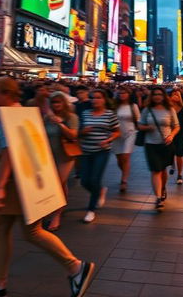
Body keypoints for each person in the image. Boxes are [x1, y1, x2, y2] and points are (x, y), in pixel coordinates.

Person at [0, 77, 95, 297]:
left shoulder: (11, 116)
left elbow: (10, 150)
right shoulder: (21, 112)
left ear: (7, 93)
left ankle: (75, 267)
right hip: (25, 179)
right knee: (14, 230)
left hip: (14, 182)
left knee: (26, 231)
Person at [78, 89, 120, 223]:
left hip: (102, 151)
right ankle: (100, 191)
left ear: (104, 100)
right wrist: (83, 131)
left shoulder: (109, 114)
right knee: (84, 181)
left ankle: (91, 210)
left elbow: (117, 131)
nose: (95, 100)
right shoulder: (85, 114)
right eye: (93, 98)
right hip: (85, 150)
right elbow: (78, 131)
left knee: (95, 179)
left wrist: (108, 140)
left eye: (98, 97)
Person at [138, 87, 180, 212]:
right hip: (151, 144)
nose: (157, 96)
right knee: (156, 170)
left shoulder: (170, 109)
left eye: (159, 94)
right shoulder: (147, 110)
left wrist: (171, 136)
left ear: (163, 96)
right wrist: (146, 128)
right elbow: (139, 125)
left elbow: (177, 126)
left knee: (163, 170)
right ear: (152, 96)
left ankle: (162, 189)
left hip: (166, 144)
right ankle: (158, 198)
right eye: (155, 94)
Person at [44, 91, 80, 231]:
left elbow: (73, 135)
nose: (56, 105)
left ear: (64, 103)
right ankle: (58, 207)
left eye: (59, 102)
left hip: (65, 155)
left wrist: (60, 124)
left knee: (58, 183)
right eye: (53, 102)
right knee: (58, 183)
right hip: (49, 154)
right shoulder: (47, 118)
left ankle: (56, 215)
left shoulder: (71, 117)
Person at [112, 87, 140, 193]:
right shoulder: (115, 106)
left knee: (125, 156)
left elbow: (138, 119)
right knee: (119, 159)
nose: (122, 95)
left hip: (130, 133)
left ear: (129, 94)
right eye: (120, 93)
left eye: (125, 93)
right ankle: (125, 172)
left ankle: (124, 180)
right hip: (117, 134)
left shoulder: (133, 106)